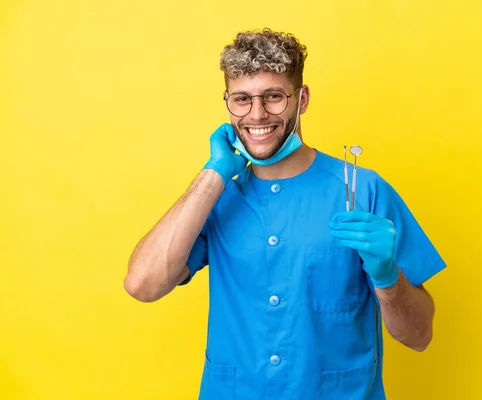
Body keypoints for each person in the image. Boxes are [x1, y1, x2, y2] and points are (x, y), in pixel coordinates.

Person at [124, 28, 446, 400]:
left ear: (302, 98)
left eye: (274, 97)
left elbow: (419, 336)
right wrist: (213, 173)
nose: (257, 114)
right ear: (227, 101)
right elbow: (142, 285)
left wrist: (388, 278)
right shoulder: (216, 197)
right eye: (242, 99)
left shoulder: (364, 191)